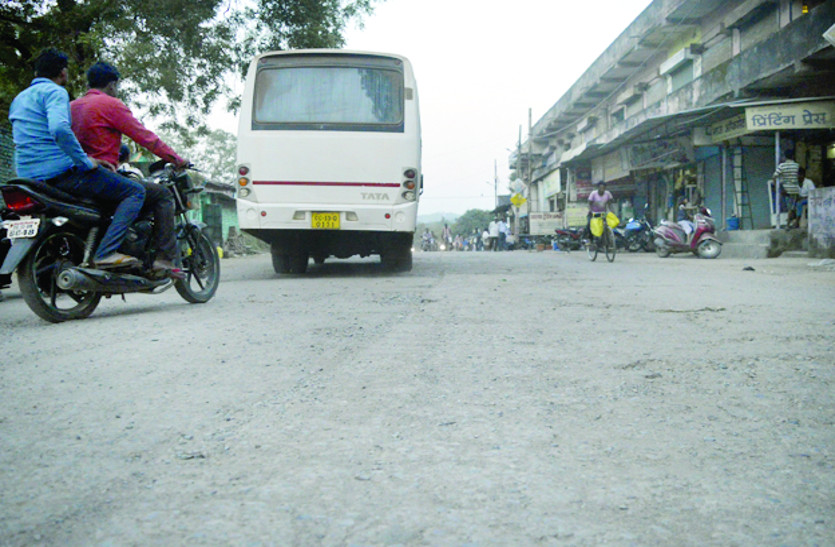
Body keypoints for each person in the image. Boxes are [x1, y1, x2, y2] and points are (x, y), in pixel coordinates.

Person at [8, 48, 145, 268]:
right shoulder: (55, 92)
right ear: (62, 72)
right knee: (135, 191)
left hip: (27, 177)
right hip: (60, 174)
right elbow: (60, 129)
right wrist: (85, 161)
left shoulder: (19, 99)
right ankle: (106, 252)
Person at [71, 61, 189, 274]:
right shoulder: (110, 104)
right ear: (112, 85)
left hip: (72, 177)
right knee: (161, 194)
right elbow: (146, 138)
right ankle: (163, 259)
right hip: (100, 177)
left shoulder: (71, 106)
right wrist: (176, 158)